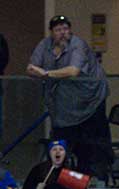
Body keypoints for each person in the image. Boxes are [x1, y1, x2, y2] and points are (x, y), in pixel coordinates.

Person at [27, 15, 112, 180]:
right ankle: (59, 177)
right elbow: (31, 68)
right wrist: (38, 72)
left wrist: (45, 73)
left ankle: (93, 179)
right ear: (51, 32)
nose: (63, 33)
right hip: (65, 106)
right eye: (58, 30)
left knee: (91, 144)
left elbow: (73, 71)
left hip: (91, 101)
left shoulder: (77, 44)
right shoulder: (44, 45)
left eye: (66, 29)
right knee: (63, 141)